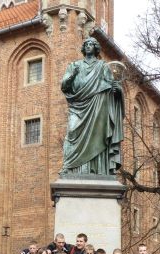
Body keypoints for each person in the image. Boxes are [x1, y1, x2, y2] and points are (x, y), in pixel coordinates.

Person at [61, 37, 124, 176]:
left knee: (98, 135)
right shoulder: (74, 65)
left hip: (98, 106)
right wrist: (72, 75)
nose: (89, 46)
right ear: (84, 48)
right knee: (72, 131)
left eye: (91, 44)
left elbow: (110, 89)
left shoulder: (102, 67)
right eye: (86, 44)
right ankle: (70, 166)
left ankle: (96, 169)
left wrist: (117, 91)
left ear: (95, 48)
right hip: (78, 106)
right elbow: (64, 86)